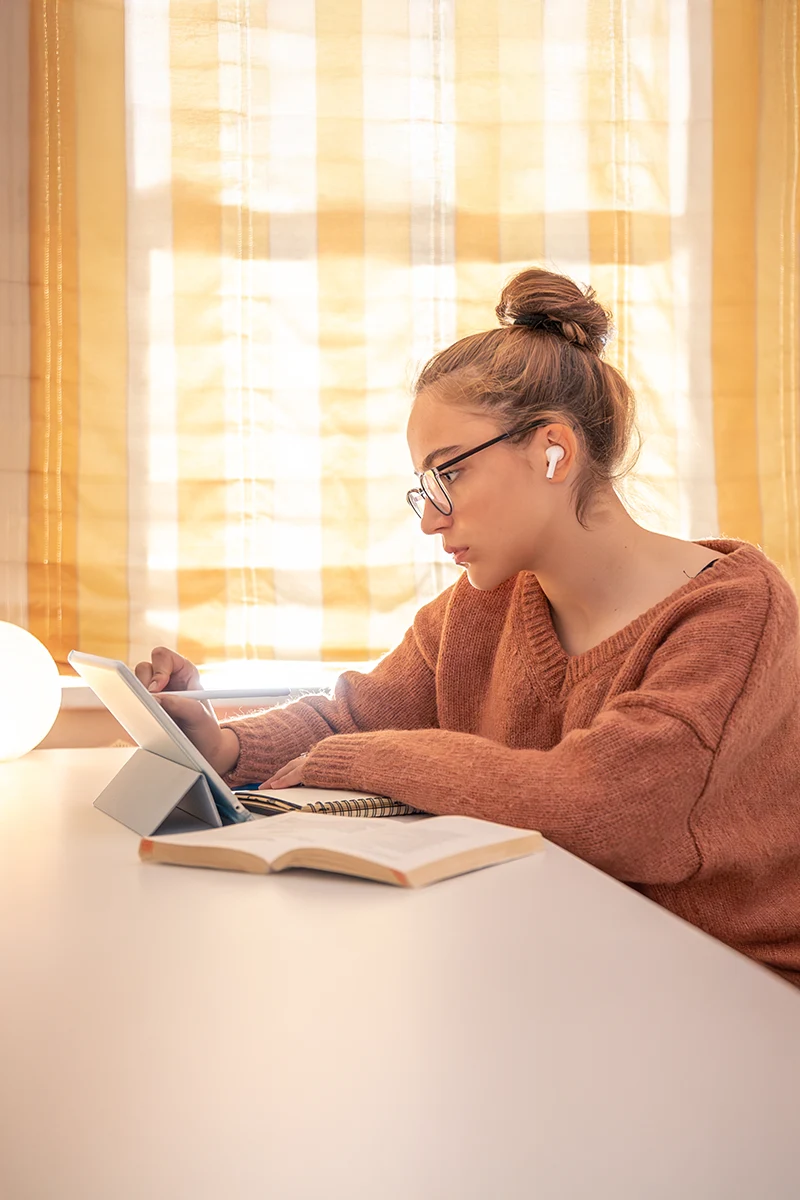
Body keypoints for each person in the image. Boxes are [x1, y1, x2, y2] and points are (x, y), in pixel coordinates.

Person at [136, 267, 800, 987]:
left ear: (555, 450)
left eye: (448, 474)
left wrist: (350, 763)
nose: (430, 518)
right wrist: (228, 742)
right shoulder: (482, 605)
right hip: (565, 963)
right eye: (423, 487)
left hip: (730, 991)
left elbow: (605, 808)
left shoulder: (734, 611)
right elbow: (352, 715)